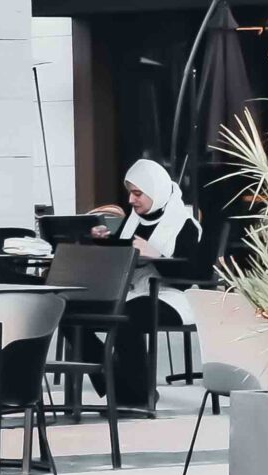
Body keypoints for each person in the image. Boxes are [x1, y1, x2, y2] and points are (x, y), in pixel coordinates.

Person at [84, 158, 200, 406]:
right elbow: (122, 253)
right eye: (130, 193)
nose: (130, 200)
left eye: (137, 194)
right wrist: (102, 241)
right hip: (130, 291)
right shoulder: (133, 220)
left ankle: (137, 397)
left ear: (156, 192)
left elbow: (192, 274)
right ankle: (109, 376)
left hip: (171, 297)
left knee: (127, 317)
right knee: (68, 312)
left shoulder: (185, 224)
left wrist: (156, 255)